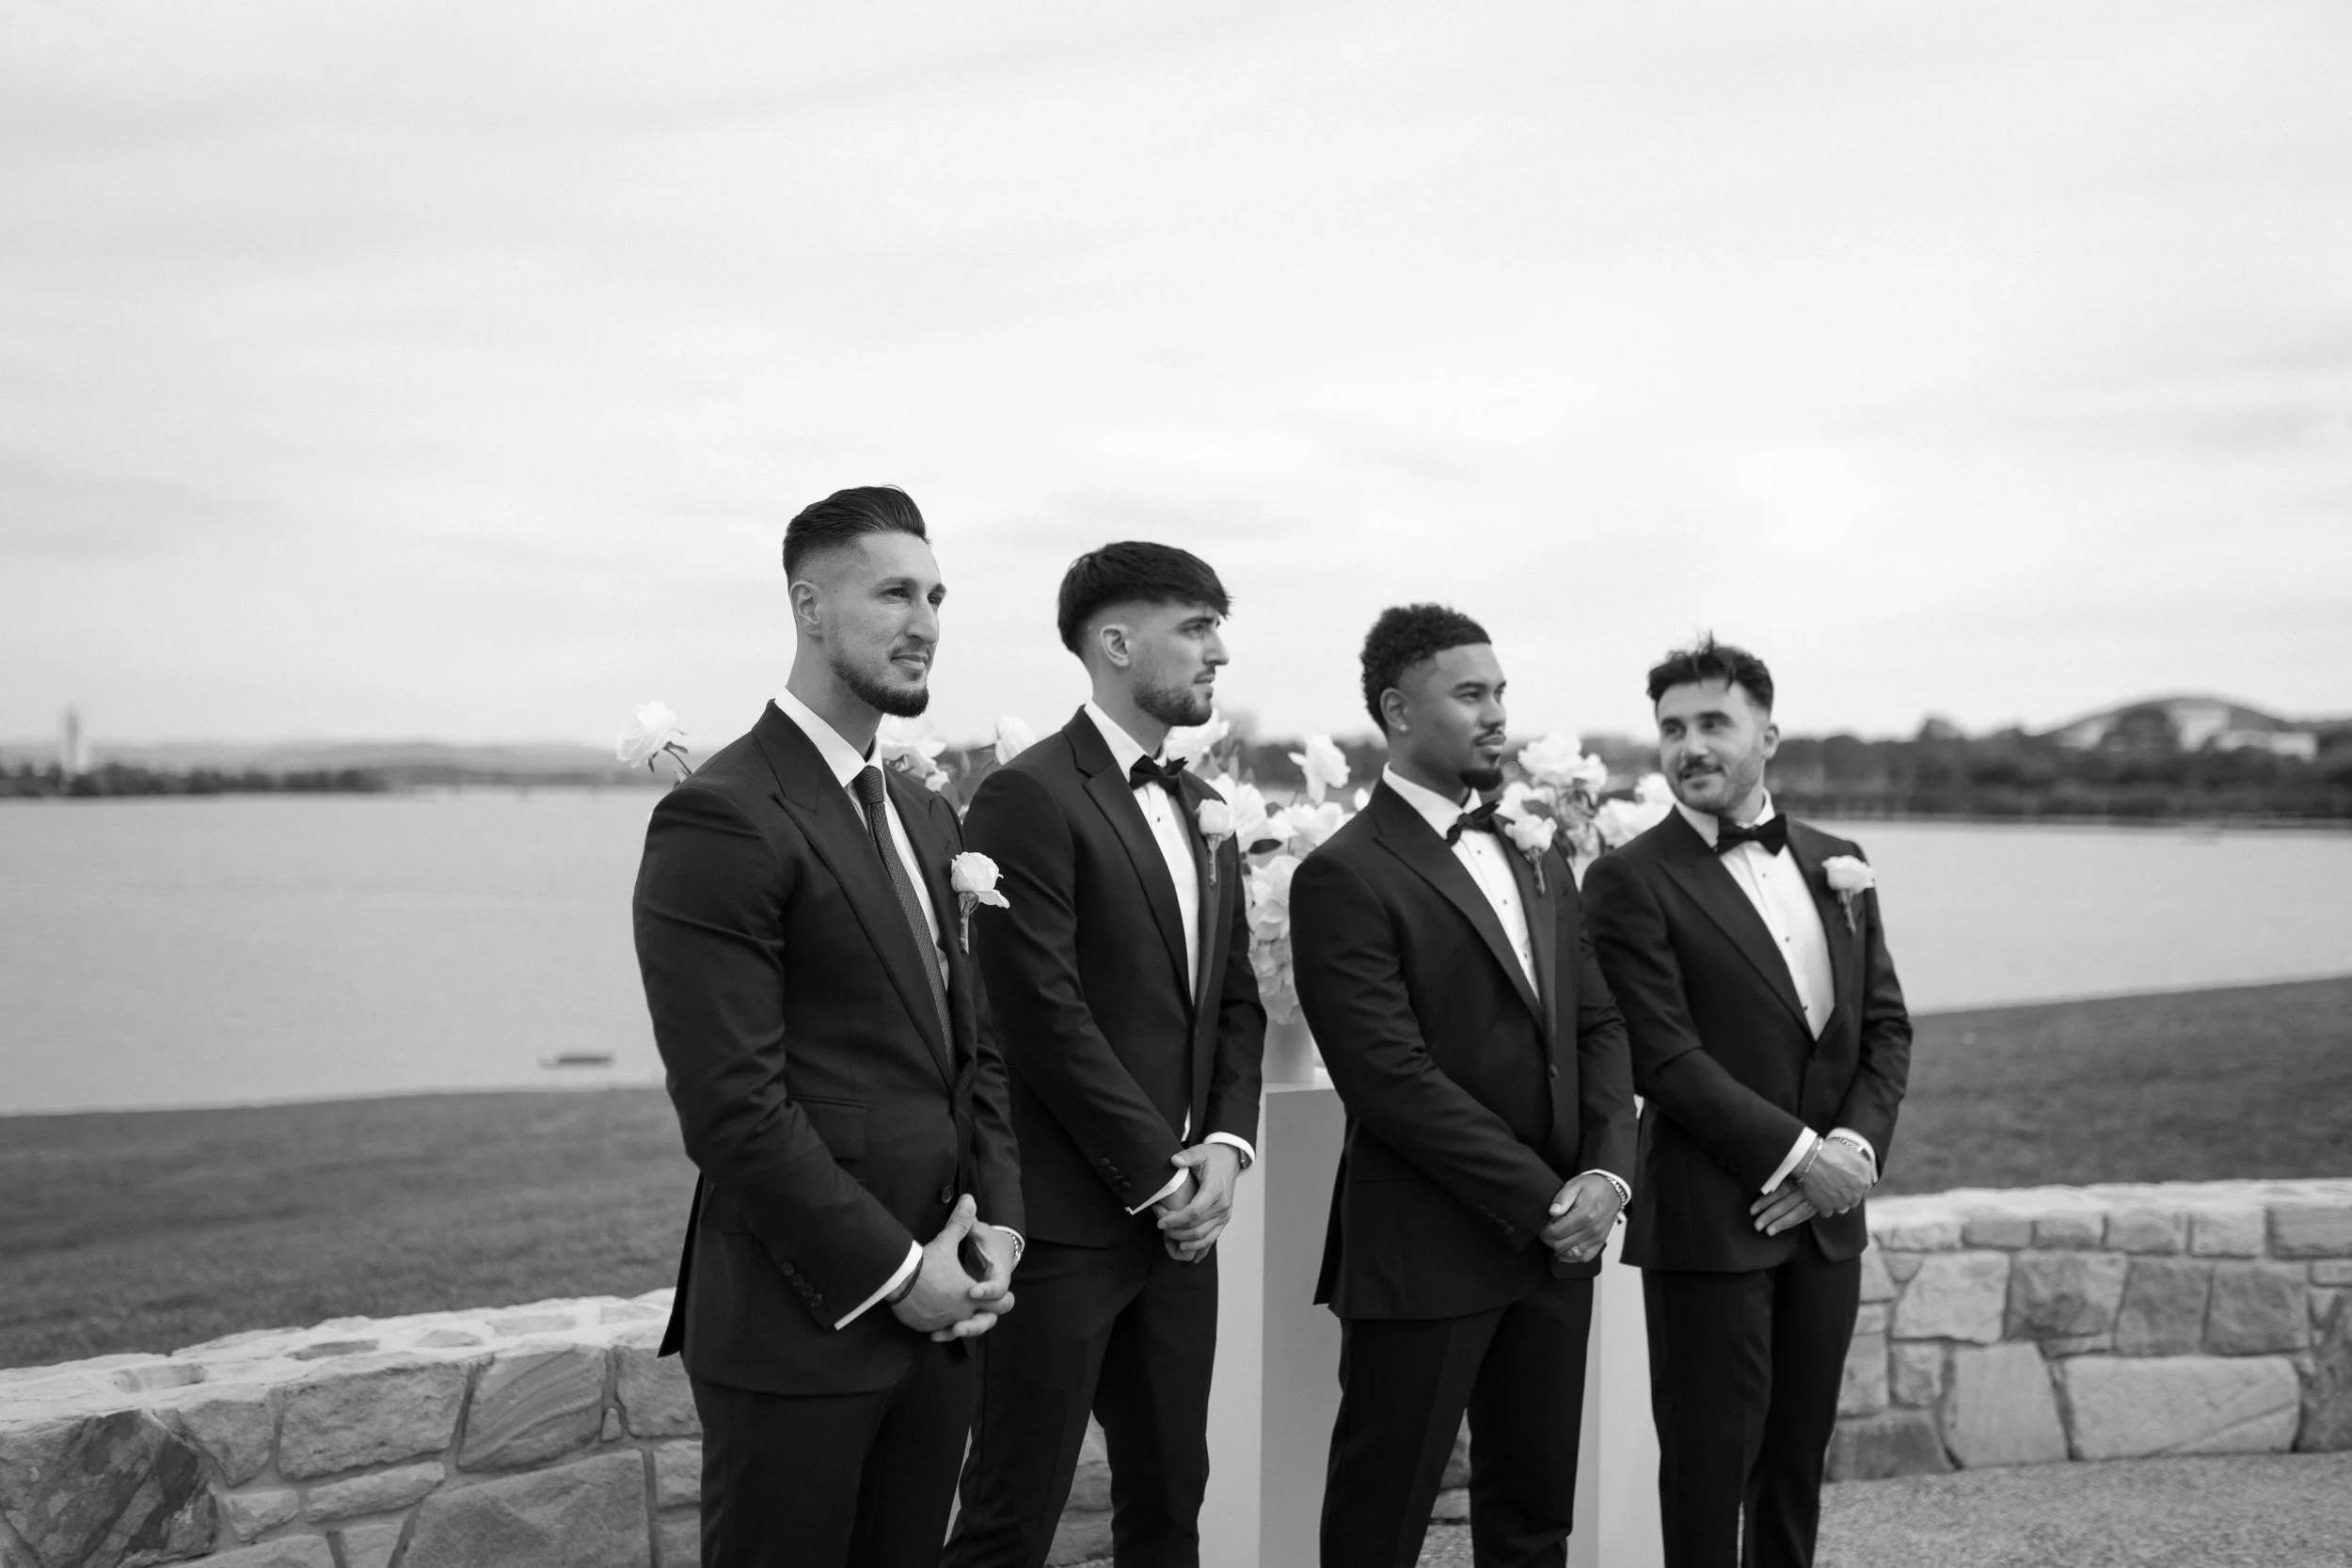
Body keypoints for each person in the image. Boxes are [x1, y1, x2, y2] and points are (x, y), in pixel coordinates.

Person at [631, 485, 1025, 1568]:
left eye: (935, 596)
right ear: (809, 606)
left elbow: (974, 1051)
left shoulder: (926, 812)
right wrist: (901, 1272)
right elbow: (732, 1106)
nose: (925, 621)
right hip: (800, 1326)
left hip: (946, 1320)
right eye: (893, 593)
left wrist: (997, 1232)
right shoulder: (722, 812)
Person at [1289, 603, 1637, 1568]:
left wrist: (1608, 1172)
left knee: (1534, 1523)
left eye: (1500, 693)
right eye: (1471, 694)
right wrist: (1547, 1201)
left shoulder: (1537, 849)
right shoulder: (1343, 874)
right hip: (1425, 1251)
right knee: (1378, 1528)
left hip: (1555, 1253)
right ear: (1399, 711)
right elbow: (1389, 1078)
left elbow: (1599, 1022)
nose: (1497, 716)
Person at [944, 541, 1266, 1568]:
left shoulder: (1204, 804)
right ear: (1116, 643)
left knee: (1171, 1504)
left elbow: (1234, 999)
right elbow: (1041, 1013)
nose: (1219, 651)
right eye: (1197, 627)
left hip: (1182, 1232)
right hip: (1065, 1225)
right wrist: (1162, 1178)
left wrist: (1226, 1145)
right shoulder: (1028, 794)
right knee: (1011, 1513)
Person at [1581, 636, 1913, 1568]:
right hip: (1707, 1223)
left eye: (1713, 723)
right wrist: (1803, 1158)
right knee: (1704, 1472)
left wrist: (1851, 1154)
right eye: (1672, 727)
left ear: (1767, 734)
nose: (1690, 745)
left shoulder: (1840, 861)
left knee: (1795, 1465)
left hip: (1827, 1227)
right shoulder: (1627, 879)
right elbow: (1665, 1055)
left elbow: (1884, 1027)